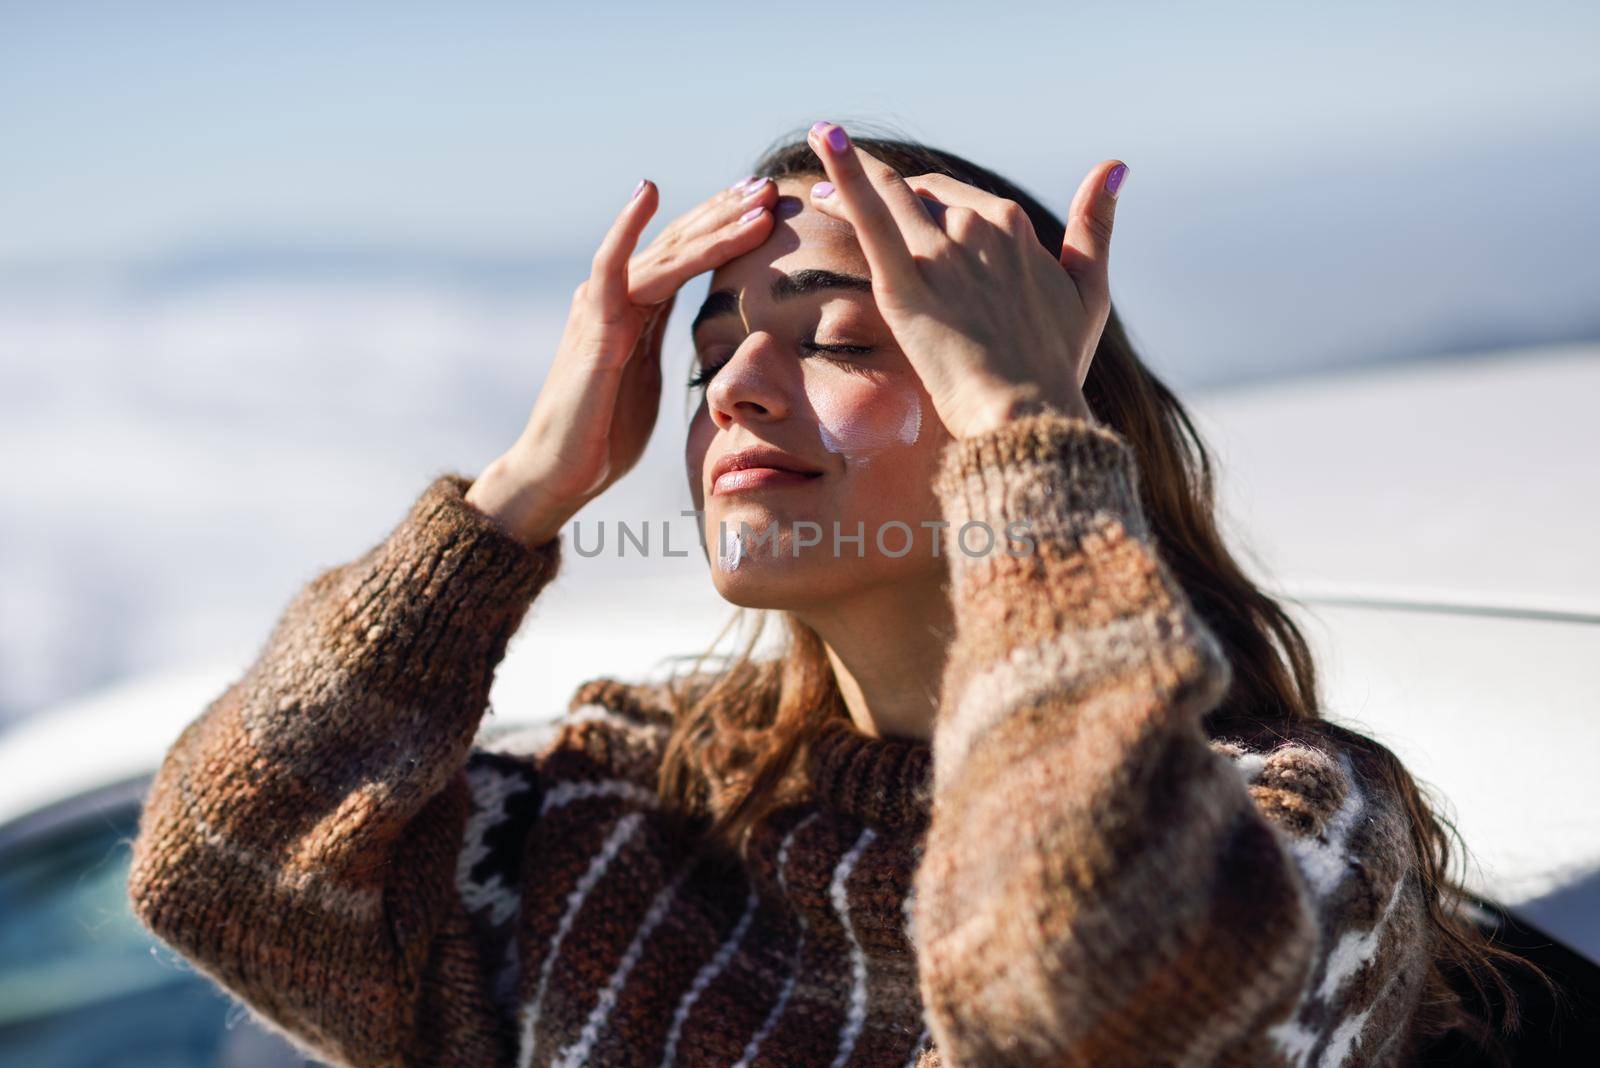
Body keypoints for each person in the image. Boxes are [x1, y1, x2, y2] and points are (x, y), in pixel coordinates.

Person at [127, 122, 1523, 1066]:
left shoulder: (1285, 838)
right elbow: (220, 870)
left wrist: (1025, 446)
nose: (733, 385)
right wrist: (520, 493)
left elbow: (1087, 997)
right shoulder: (629, 809)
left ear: (1026, 415)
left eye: (844, 339)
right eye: (706, 354)